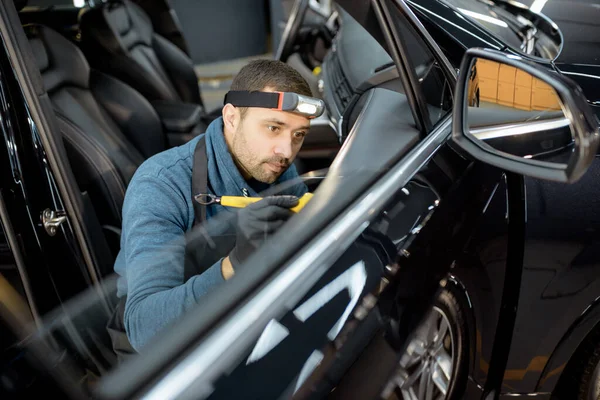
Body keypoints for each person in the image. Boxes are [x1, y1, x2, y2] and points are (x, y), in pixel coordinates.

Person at [107, 59, 323, 358]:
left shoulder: (275, 167)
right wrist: (234, 264)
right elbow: (144, 327)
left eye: (298, 135)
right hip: (166, 353)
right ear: (231, 117)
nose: (286, 151)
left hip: (240, 320)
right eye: (274, 128)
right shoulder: (161, 184)